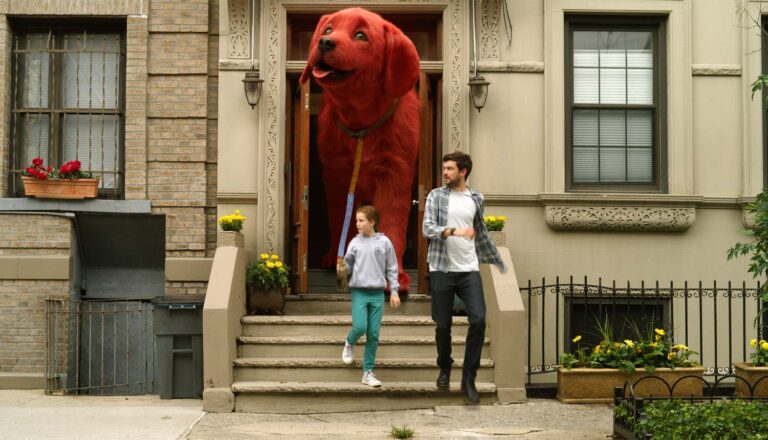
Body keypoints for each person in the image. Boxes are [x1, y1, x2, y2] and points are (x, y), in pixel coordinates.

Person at [422, 151, 507, 404]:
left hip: (469, 269)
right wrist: (454, 231)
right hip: (441, 269)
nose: (445, 172)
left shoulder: (476, 198)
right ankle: (445, 366)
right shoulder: (436, 196)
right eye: (444, 168)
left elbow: (480, 232)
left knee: (479, 320)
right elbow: (427, 228)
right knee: (443, 326)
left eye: (449, 169)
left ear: (463, 172)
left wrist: (495, 259)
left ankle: (468, 378)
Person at [338, 205, 402, 387]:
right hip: (359, 291)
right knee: (360, 327)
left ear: (372, 222)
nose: (357, 224)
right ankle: (350, 343)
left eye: (361, 220)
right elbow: (348, 264)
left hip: (377, 294)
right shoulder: (354, 243)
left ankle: (368, 372)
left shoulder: (385, 242)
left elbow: (391, 267)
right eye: (356, 220)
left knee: (373, 334)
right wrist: (342, 269)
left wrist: (394, 291)